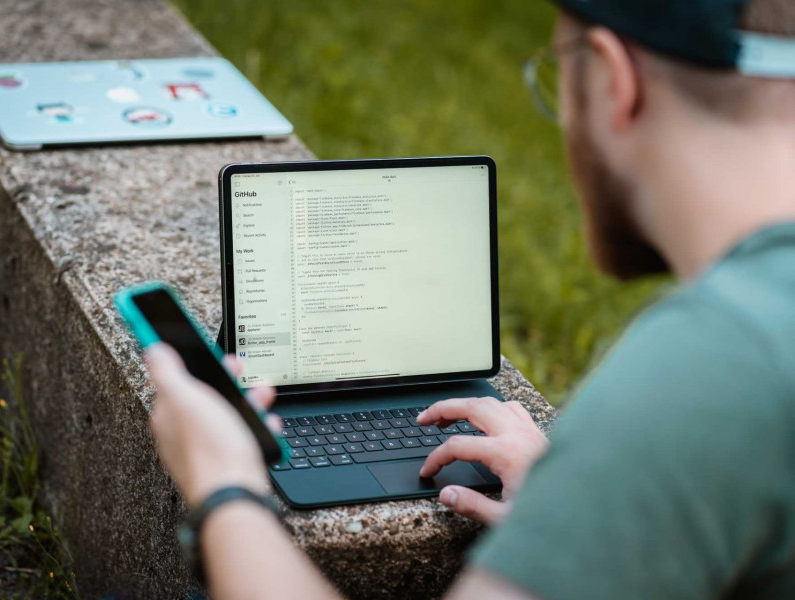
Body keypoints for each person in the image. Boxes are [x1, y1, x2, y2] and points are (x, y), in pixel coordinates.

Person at [144, 0, 795, 597]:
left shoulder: (697, 379)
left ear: (611, 79)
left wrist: (222, 483)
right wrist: (574, 508)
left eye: (557, 81)